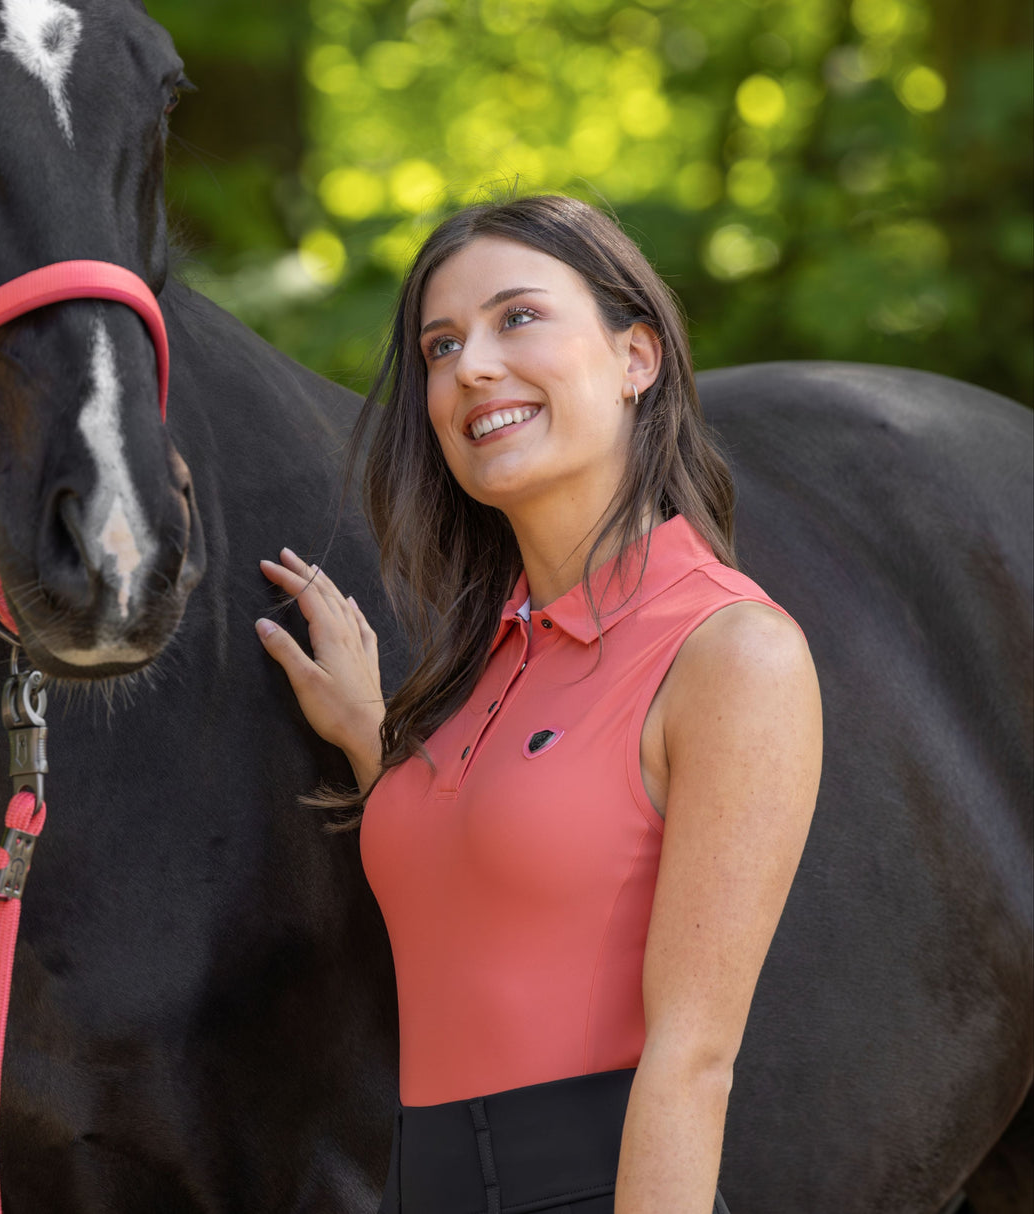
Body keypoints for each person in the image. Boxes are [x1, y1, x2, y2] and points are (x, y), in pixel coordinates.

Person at [254, 194, 822, 1214]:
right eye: (440, 345)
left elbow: (692, 1057)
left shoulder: (732, 652)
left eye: (516, 318)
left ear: (635, 357)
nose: (470, 366)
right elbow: (486, 892)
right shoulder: (483, 663)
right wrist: (370, 736)